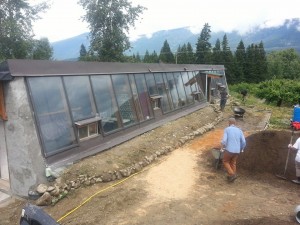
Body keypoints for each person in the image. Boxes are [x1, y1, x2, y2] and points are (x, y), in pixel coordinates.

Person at [221, 118, 246, 182]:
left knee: (225, 161)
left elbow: (224, 140)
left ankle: (232, 175)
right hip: (237, 151)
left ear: (229, 123)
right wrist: (242, 149)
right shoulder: (239, 130)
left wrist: (222, 147)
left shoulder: (227, 129)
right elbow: (243, 142)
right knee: (233, 163)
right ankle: (231, 177)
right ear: (235, 123)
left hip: (229, 150)